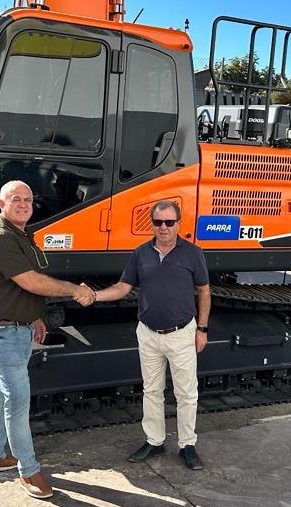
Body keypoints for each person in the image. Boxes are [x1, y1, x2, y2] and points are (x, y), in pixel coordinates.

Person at [0, 180, 95, 499]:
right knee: (17, 400)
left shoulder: (19, 234)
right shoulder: (0, 237)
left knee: (3, 390)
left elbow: (18, 284)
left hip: (14, 326)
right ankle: (28, 471)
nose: (24, 204)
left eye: (28, 199)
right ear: (2, 205)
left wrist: (35, 316)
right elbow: (30, 281)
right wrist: (74, 289)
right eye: (16, 199)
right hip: (2, 332)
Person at [93, 200, 211, 470]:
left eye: (170, 222)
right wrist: (95, 295)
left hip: (182, 334)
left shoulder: (193, 253)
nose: (164, 227)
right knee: (151, 390)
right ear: (152, 224)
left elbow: (204, 290)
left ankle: (187, 445)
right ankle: (154, 441)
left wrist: (202, 329)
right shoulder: (141, 253)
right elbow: (123, 287)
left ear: (178, 224)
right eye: (158, 222)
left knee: (186, 393)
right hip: (148, 334)